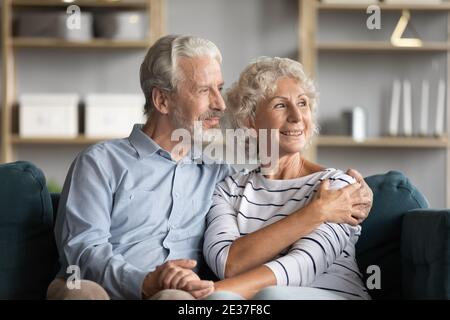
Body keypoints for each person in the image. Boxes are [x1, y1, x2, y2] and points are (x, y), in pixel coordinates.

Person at [48, 35, 372, 300]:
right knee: (82, 293)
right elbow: (84, 251)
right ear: (162, 101)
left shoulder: (218, 172)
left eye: (220, 87)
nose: (219, 103)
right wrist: (144, 281)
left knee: (175, 301)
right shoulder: (100, 162)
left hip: (177, 292)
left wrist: (358, 193)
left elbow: (273, 162)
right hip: (100, 286)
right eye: (205, 91)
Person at [203, 57, 371, 300]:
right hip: (258, 299)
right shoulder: (228, 190)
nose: (296, 116)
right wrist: (316, 212)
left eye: (302, 104)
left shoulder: (337, 187)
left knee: (271, 296)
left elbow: (302, 266)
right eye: (281, 105)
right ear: (250, 121)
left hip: (329, 295)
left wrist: (200, 294)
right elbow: (228, 264)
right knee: (220, 300)